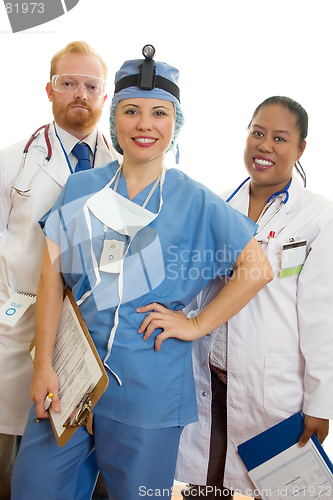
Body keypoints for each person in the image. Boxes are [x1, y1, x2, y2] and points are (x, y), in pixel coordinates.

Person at [11, 46, 273, 500]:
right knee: (35, 488)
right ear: (115, 119)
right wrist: (43, 366)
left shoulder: (195, 200)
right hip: (71, 377)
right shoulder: (84, 187)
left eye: (159, 113)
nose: (144, 125)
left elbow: (257, 267)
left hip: (147, 389)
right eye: (131, 111)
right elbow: (52, 278)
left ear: (176, 124)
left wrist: (195, 324)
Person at [175, 96, 333, 499]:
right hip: (207, 380)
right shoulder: (216, 203)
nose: (265, 146)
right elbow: (192, 287)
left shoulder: (318, 217)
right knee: (204, 487)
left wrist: (321, 402)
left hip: (274, 390)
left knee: (273, 490)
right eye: (257, 133)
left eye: (280, 138)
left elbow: (322, 317)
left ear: (300, 149)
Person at [0, 41, 120, 499]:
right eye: (68, 83)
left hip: (93, 336)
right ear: (49, 90)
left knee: (85, 463)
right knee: (16, 468)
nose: (80, 94)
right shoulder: (14, 160)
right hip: (21, 332)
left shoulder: (122, 167)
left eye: (91, 86)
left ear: (104, 97)